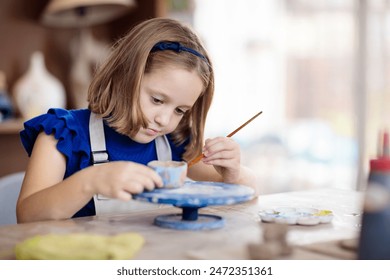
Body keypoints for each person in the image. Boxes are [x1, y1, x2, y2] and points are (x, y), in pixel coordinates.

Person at [16, 18, 258, 223]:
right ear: (124, 77)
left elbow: (248, 194)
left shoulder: (174, 143)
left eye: (180, 111)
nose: (164, 119)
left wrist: (233, 172)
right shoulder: (62, 132)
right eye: (157, 100)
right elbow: (27, 216)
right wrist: (91, 180)